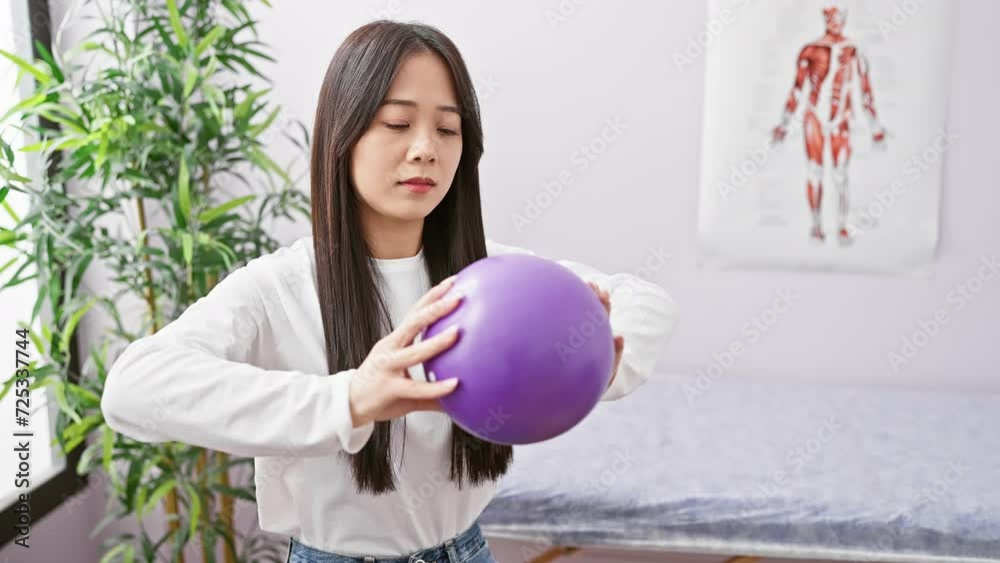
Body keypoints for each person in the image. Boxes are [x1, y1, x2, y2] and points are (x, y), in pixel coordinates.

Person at [101, 20, 678, 563]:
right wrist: (351, 398)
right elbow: (133, 388)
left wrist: (598, 361)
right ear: (343, 134)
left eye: (447, 128)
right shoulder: (279, 287)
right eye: (397, 124)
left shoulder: (495, 277)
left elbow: (643, 300)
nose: (426, 148)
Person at [772, 3, 888, 246]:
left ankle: (842, 226)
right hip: (814, 117)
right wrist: (784, 123)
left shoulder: (854, 49)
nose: (836, 20)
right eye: (831, 16)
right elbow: (797, 87)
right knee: (815, 172)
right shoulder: (811, 49)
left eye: (840, 16)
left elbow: (865, 89)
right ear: (825, 17)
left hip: (841, 118)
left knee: (840, 174)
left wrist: (874, 125)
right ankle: (815, 225)